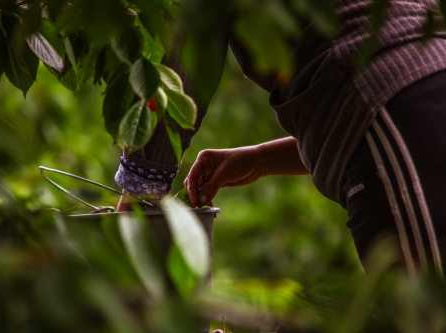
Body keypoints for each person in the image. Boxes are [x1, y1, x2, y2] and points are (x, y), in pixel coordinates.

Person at [115, 0, 446, 277]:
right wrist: (260, 158)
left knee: (420, 315)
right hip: (416, 98)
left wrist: (143, 185)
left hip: (394, 103)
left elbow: (186, 36)